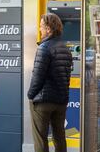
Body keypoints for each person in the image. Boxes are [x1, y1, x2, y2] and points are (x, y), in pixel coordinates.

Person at [28, 13, 73, 152]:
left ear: (48, 29)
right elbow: (67, 75)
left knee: (40, 139)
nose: (40, 30)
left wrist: (30, 95)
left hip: (43, 100)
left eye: (41, 26)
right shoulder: (65, 48)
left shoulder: (44, 48)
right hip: (60, 100)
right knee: (59, 136)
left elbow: (38, 76)